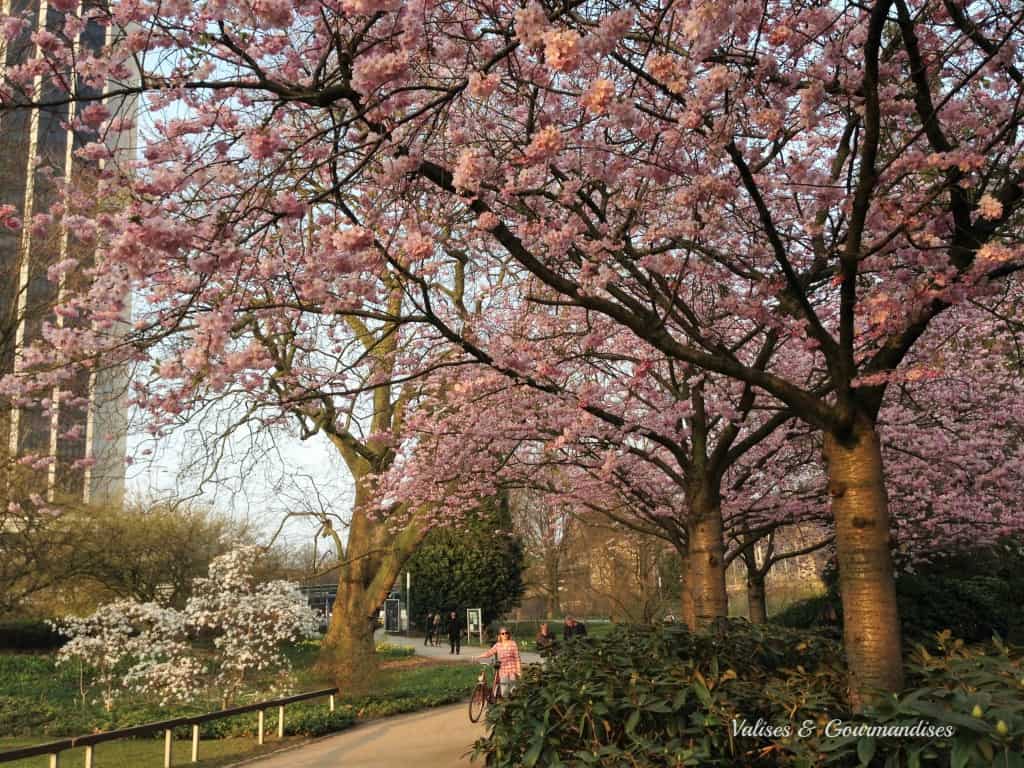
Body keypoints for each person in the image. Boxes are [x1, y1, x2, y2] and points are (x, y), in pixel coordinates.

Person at [477, 626, 521, 698]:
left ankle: (513, 706)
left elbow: (517, 658)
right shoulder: (498, 645)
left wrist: (519, 671)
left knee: (513, 690)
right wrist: (479, 656)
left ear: (509, 634)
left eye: (506, 633)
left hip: (513, 670)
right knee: (504, 691)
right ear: (500, 635)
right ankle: (507, 705)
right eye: (502, 633)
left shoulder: (513, 643)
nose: (505, 635)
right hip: (503, 671)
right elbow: (489, 653)